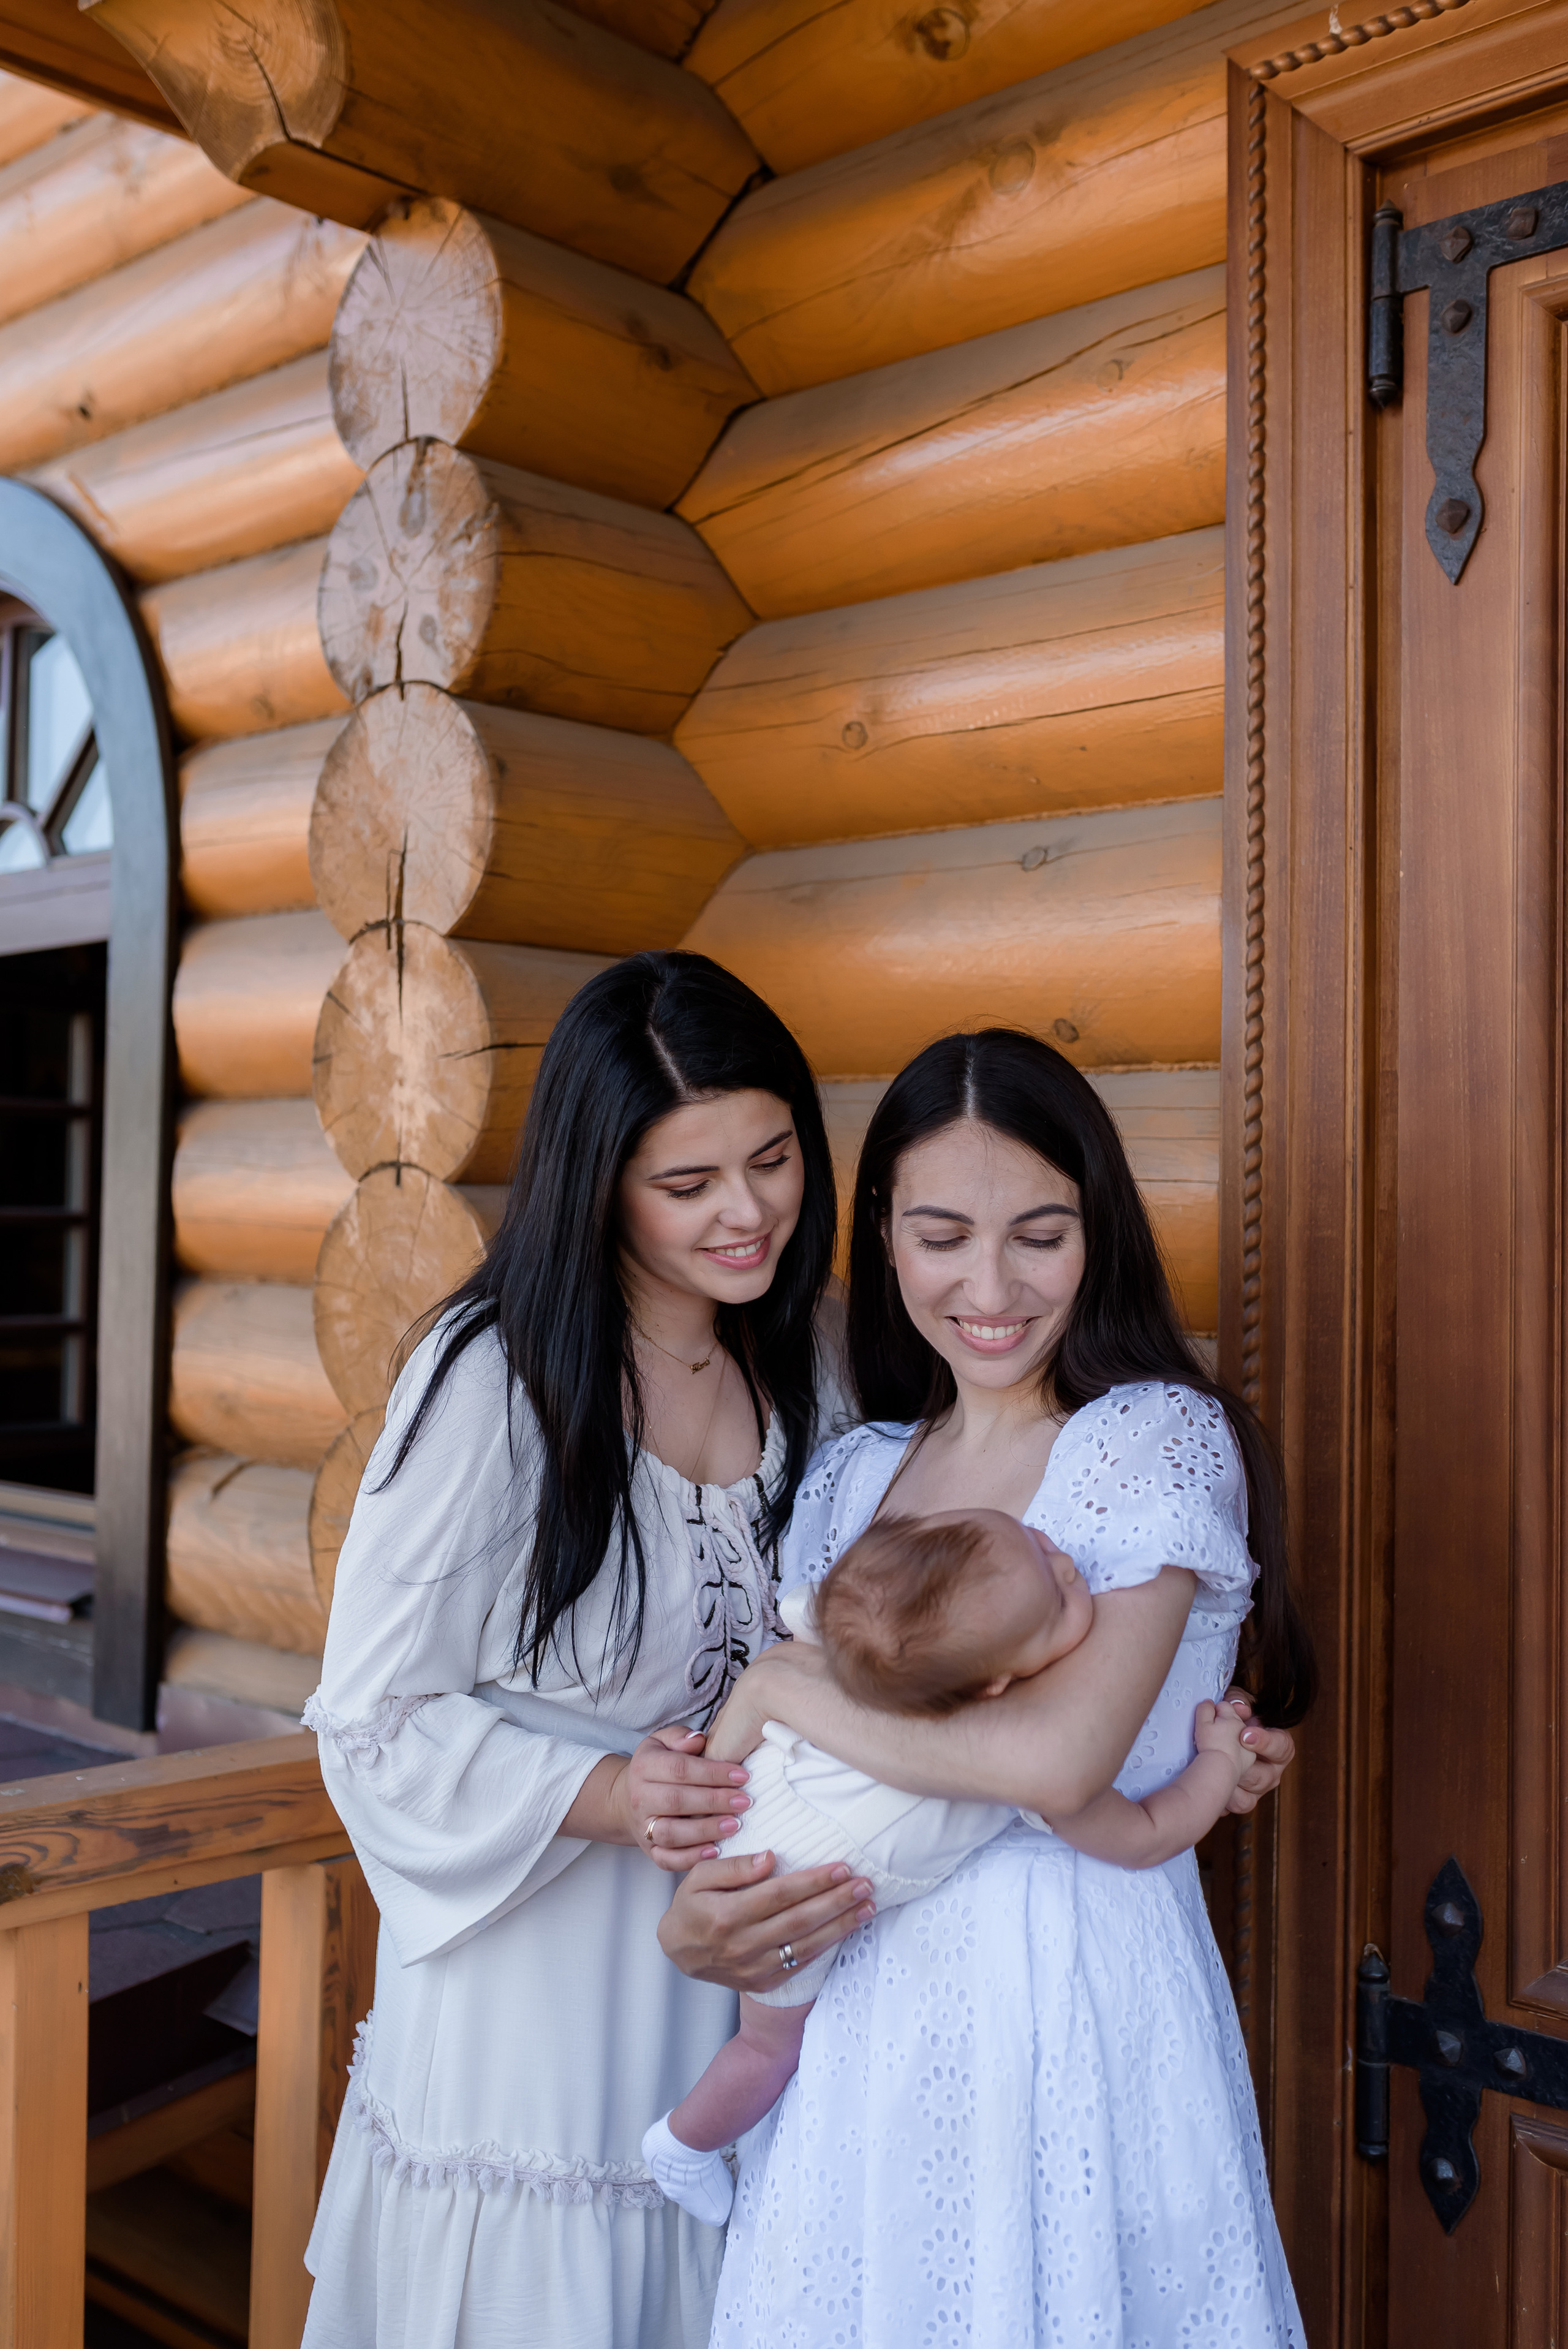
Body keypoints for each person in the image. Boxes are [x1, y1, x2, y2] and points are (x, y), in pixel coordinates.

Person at [650, 1027, 1314, 2347]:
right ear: (885, 1233)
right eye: (943, 1234)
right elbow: (772, 1790)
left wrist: (791, 1690)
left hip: (1073, 2006)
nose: (991, 1286)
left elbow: (1059, 1766)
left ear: (1098, 1231)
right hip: (862, 2028)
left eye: (1040, 1233)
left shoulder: (1150, 1439)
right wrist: (705, 1912)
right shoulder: (850, 1476)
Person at [298, 953, 882, 2349]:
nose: (745, 1210)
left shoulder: (812, 1361)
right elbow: (367, 1714)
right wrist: (611, 1794)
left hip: (755, 1981)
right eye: (686, 1185)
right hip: (537, 1982)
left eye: (772, 1157)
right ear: (597, 1180)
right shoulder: (494, 1380)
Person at [641, 1507, 1260, 2228]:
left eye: (1040, 1537)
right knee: (766, 2049)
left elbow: (777, 1674)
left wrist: (714, 1766)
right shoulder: (1002, 1764)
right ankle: (682, 2143)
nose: (1067, 1564)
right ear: (995, 1690)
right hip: (785, 1890)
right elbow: (1146, 1834)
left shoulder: (866, 1641)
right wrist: (1219, 1762)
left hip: (769, 1788)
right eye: (1058, 1597)